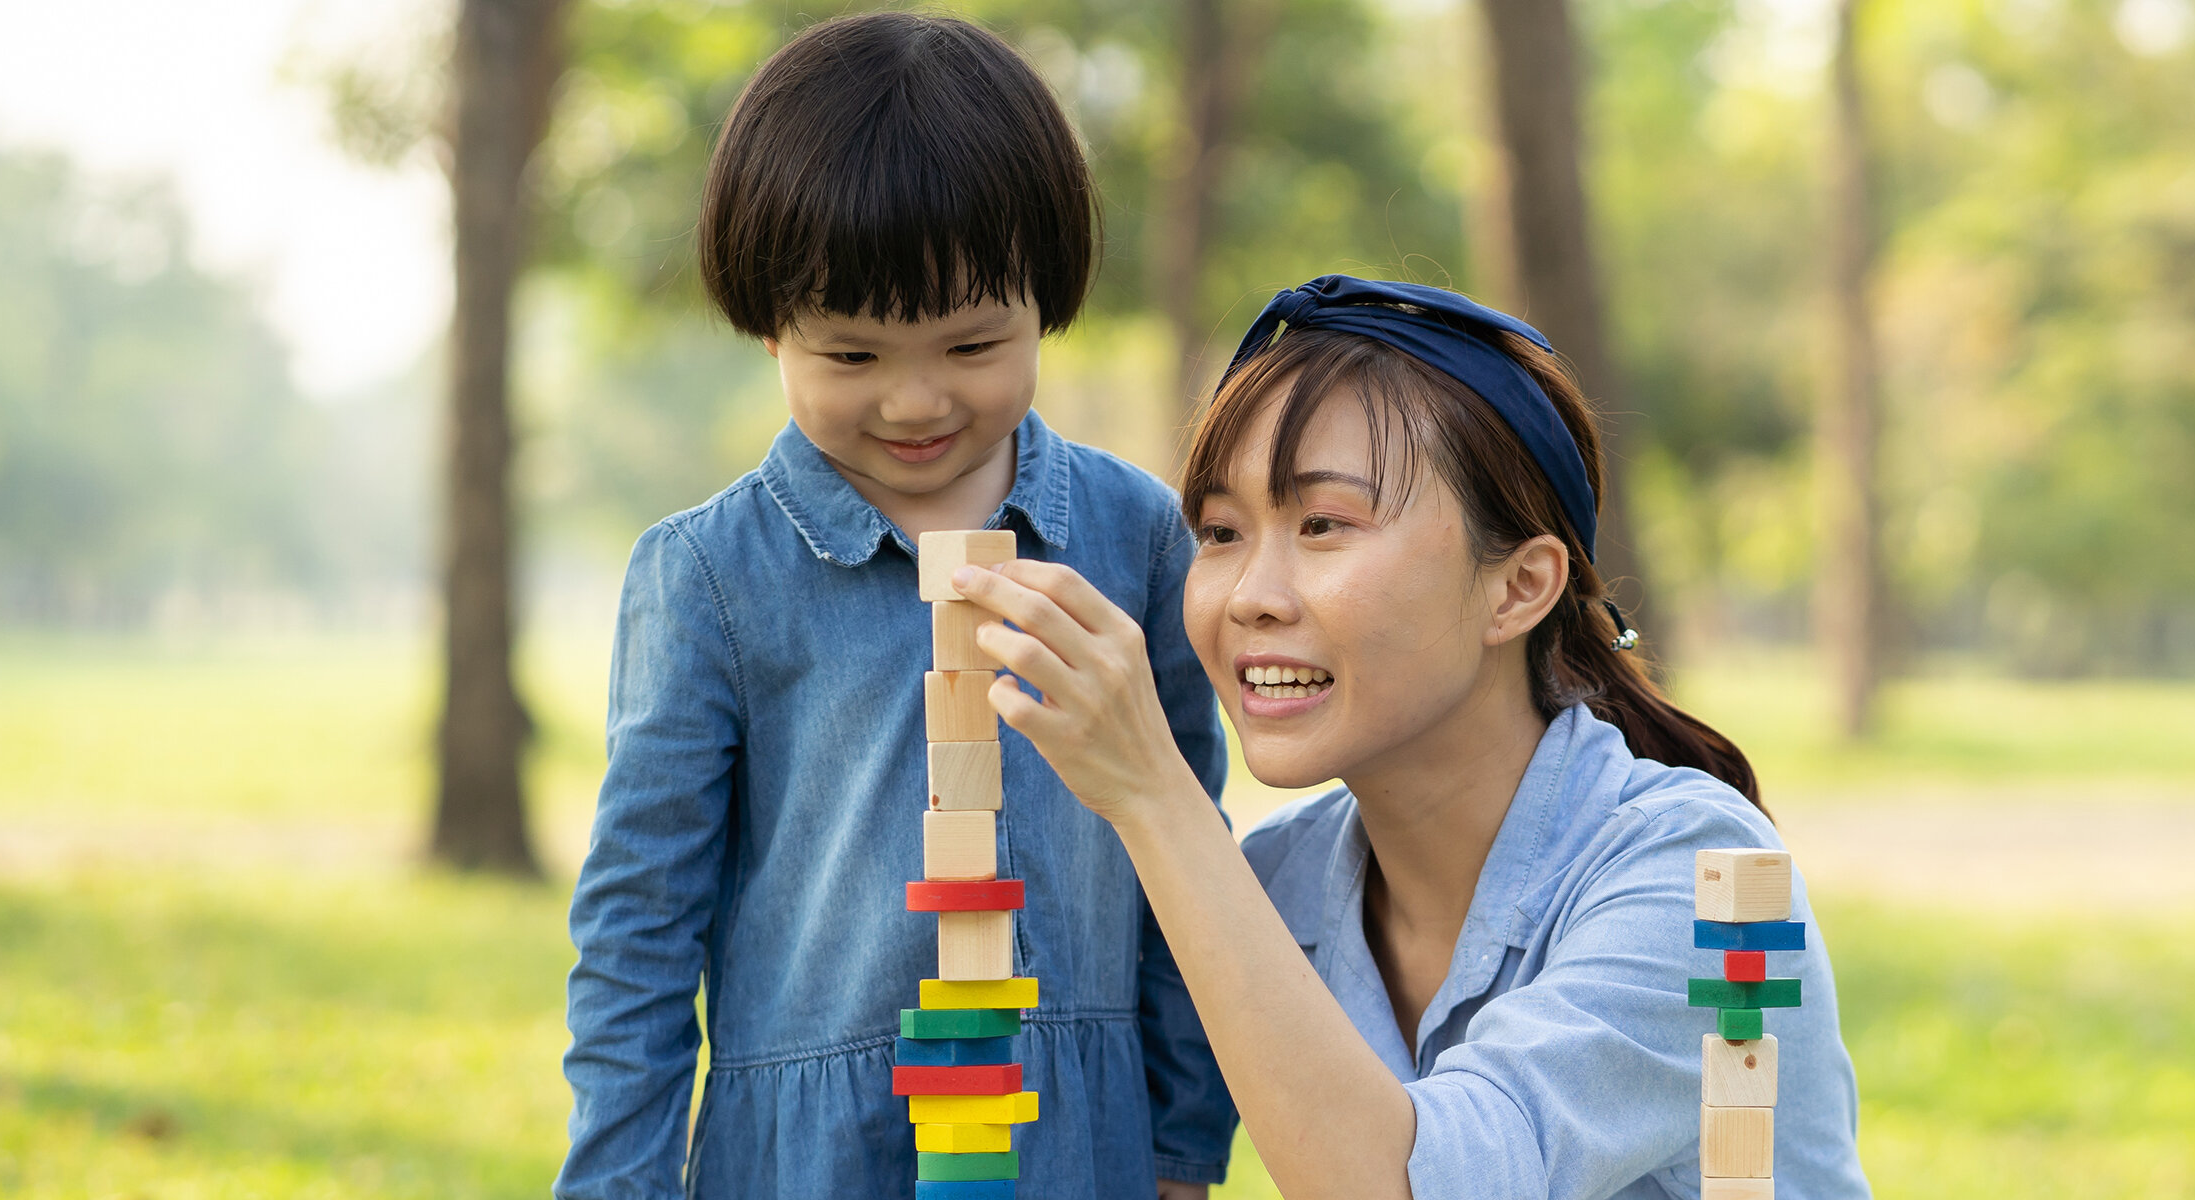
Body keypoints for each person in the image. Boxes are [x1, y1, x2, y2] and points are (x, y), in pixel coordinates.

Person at [950, 275, 1872, 1198]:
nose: (1250, 595)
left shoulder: (1704, 882)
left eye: (1323, 524)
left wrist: (1154, 793)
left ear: (1519, 587)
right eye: (1222, 530)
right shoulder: (1278, 888)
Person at [555, 14, 1235, 1198]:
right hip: (814, 1155)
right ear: (769, 326)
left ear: (1048, 300)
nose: (915, 402)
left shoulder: (1136, 541)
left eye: (972, 344)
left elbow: (1188, 849)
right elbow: (638, 927)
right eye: (852, 357)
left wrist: (1183, 1145)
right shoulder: (708, 578)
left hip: (1081, 1145)